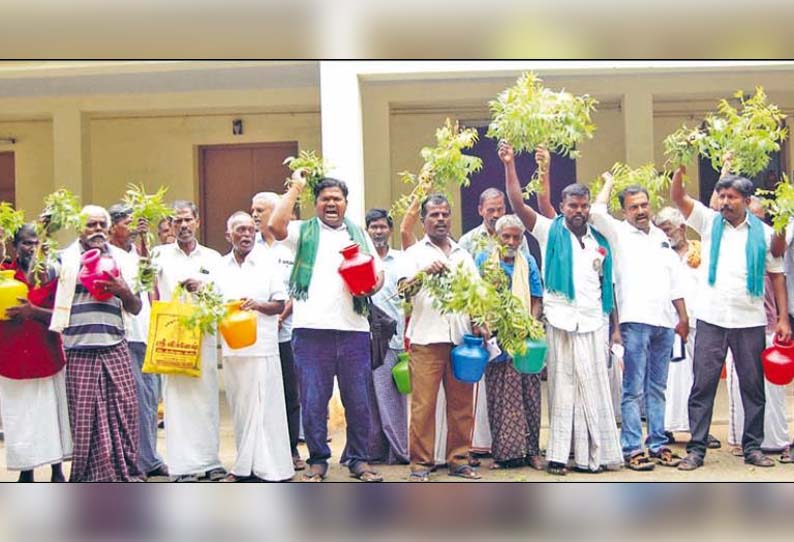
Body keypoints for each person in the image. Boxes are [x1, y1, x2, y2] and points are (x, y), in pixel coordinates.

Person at [501, 140, 622, 475]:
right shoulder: (548, 231)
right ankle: (558, 456)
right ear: (563, 206)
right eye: (572, 205)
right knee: (562, 387)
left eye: (583, 205)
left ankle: (593, 456)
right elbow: (518, 201)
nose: (579, 210)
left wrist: (613, 327)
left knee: (594, 388)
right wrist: (512, 164)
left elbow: (604, 287)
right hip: (560, 320)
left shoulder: (599, 240)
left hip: (593, 322)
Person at [670, 166, 791, 471]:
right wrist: (679, 171)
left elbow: (777, 277)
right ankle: (696, 450)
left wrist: (782, 319)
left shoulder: (763, 234)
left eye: (732, 197)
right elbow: (678, 197)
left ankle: (752, 447)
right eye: (722, 195)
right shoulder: (709, 223)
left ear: (747, 201)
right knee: (703, 387)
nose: (724, 201)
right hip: (711, 318)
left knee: (753, 387)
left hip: (749, 320)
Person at [269, 172, 385, 482]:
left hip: (354, 330)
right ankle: (318, 460)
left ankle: (359, 459)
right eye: (325, 199)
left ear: (346, 203)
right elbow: (274, 226)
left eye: (337, 199)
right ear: (316, 204)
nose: (331, 203)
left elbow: (378, 273)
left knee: (358, 401)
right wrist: (295, 186)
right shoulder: (303, 231)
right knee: (313, 401)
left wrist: (373, 287)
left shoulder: (358, 234)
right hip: (310, 331)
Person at [590, 176, 690, 471]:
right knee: (633, 389)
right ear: (624, 211)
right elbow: (596, 213)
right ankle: (632, 447)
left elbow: (675, 280)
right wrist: (608, 182)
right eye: (634, 207)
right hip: (634, 321)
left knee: (658, 387)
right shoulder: (617, 234)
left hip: (663, 323)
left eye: (644, 204)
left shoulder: (660, 236)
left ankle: (657, 443)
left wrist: (682, 317)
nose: (641, 210)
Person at [50, 205, 143, 482]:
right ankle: (91, 478)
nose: (98, 231)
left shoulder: (123, 261)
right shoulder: (64, 259)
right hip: (78, 349)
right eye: (91, 225)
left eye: (102, 225)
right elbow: (38, 278)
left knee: (125, 413)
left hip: (115, 345)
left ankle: (124, 472)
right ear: (80, 228)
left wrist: (123, 290)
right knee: (85, 420)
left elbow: (136, 307)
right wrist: (47, 232)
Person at [398, 193, 483, 482]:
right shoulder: (414, 254)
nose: (440, 219)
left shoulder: (463, 254)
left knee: (461, 405)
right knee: (423, 406)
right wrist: (422, 273)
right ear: (423, 221)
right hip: (426, 340)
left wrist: (481, 326)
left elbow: (476, 297)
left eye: (445, 214)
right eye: (434, 215)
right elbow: (402, 292)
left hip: (461, 342)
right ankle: (421, 465)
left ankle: (459, 460)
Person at [213, 212, 294, 482]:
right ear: (229, 236)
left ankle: (265, 468)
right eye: (240, 230)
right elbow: (212, 304)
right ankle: (245, 464)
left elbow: (280, 304)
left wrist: (257, 304)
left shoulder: (267, 263)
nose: (246, 235)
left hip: (262, 346)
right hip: (233, 348)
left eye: (250, 230)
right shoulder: (220, 267)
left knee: (263, 409)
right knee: (241, 409)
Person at [152, 200, 226, 482]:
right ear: (170, 225)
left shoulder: (212, 258)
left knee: (206, 398)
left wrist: (202, 286)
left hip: (203, 334)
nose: (182, 226)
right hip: (172, 335)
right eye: (177, 221)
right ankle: (183, 467)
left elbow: (222, 295)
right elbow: (146, 286)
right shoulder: (159, 255)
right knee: (176, 401)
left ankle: (210, 461)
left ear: (197, 222)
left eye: (187, 220)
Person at [473, 214, 545, 471]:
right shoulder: (483, 260)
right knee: (499, 396)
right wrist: (482, 325)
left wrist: (530, 324)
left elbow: (536, 298)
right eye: (506, 236)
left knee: (529, 395)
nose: (511, 241)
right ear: (497, 237)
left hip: (523, 338)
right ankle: (503, 454)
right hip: (495, 337)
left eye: (516, 237)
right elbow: (476, 298)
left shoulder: (528, 262)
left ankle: (532, 452)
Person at [0, 224, 71, 482]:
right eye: (26, 243)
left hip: (46, 356)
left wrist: (34, 313)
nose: (31, 248)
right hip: (12, 359)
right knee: (20, 421)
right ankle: (26, 471)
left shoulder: (53, 275)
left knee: (51, 418)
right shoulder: (4, 275)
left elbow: (64, 316)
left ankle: (56, 470)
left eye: (35, 243)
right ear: (15, 246)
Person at [725, 197, 790, 457]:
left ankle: (775, 440)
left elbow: (779, 253)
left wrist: (782, 220)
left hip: (767, 324)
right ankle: (744, 439)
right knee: (742, 385)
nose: (755, 221)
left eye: (761, 217)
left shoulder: (767, 241)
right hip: (736, 325)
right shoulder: (730, 243)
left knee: (773, 386)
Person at [108, 204, 169, 479]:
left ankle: (149, 457)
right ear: (113, 227)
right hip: (125, 335)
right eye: (127, 223)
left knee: (149, 399)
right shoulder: (109, 255)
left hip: (146, 333)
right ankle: (135, 461)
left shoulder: (136, 252)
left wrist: (144, 240)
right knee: (132, 402)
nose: (132, 228)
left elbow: (147, 286)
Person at [654, 207, 721, 450]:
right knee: (668, 380)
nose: (665, 235)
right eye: (661, 231)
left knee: (700, 379)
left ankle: (699, 429)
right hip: (667, 325)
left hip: (698, 323)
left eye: (668, 229)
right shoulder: (659, 255)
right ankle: (666, 428)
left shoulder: (700, 252)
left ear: (682, 228)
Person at [251, 191, 304, 471]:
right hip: (258, 334)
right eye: (253, 210)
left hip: (287, 332)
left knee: (289, 393)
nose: (256, 215)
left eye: (261, 209)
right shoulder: (251, 247)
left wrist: (283, 313)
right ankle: (263, 449)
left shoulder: (291, 245)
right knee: (260, 393)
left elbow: (299, 284)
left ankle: (292, 449)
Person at [365, 208, 409, 465]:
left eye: (382, 227)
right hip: (366, 338)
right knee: (369, 398)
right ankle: (374, 451)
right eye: (373, 227)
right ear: (367, 231)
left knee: (392, 397)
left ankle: (400, 451)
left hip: (393, 340)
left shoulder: (401, 260)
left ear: (390, 230)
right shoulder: (364, 260)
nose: (378, 231)